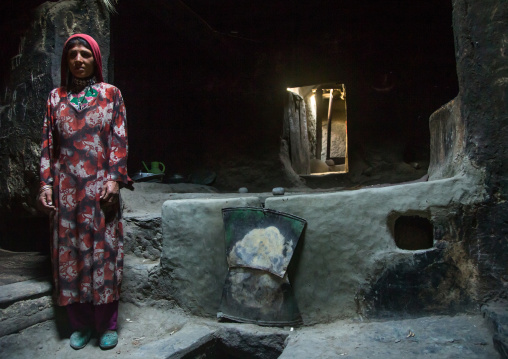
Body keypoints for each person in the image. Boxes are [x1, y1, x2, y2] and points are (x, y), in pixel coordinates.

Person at [38, 33, 132, 350]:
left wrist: (115, 179)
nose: (79, 60)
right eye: (73, 55)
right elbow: (48, 148)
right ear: (66, 61)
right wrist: (45, 184)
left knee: (104, 256)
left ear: (96, 59)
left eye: (85, 54)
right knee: (69, 256)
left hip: (100, 190)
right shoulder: (55, 99)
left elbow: (119, 141)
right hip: (66, 193)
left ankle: (107, 325)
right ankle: (79, 325)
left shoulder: (111, 95)